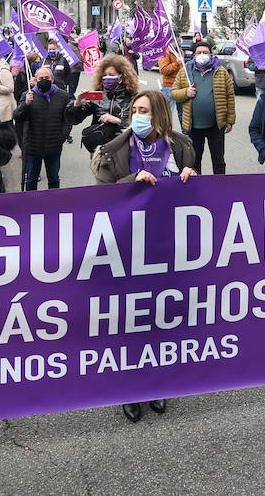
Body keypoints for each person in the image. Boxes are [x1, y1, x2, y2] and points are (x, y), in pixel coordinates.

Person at [91, 89, 194, 422]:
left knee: (161, 319)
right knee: (130, 321)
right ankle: (130, 387)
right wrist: (132, 180)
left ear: (159, 114)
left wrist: (193, 179)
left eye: (144, 110)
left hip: (167, 245)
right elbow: (102, 198)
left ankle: (157, 384)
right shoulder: (114, 149)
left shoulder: (180, 146)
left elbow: (196, 199)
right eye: (135, 109)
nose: (137, 115)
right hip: (126, 248)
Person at [171, 40, 236, 176]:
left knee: (218, 161)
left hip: (216, 125)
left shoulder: (221, 71)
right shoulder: (185, 71)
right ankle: (197, 190)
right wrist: (186, 93)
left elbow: (230, 96)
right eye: (199, 52)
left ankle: (220, 187)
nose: (202, 55)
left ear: (211, 55)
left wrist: (230, 120)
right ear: (194, 55)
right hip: (193, 127)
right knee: (194, 161)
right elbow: (174, 92)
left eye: (205, 52)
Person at [14, 65, 73, 189]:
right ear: (35, 80)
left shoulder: (63, 96)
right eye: (41, 78)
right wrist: (26, 104)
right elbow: (18, 117)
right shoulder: (27, 95)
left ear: (52, 79)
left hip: (53, 147)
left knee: (54, 179)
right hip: (33, 148)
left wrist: (61, 137)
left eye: (47, 77)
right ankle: (32, 205)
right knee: (30, 180)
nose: (44, 80)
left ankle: (53, 205)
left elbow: (68, 119)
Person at [69, 54, 139, 154]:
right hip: (100, 149)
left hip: (123, 148)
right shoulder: (98, 95)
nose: (107, 78)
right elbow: (73, 120)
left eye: (111, 75)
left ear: (122, 77)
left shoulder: (133, 98)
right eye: (105, 75)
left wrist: (118, 121)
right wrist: (77, 103)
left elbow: (139, 127)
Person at [157, 44, 184, 130]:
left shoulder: (180, 51)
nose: (179, 41)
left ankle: (186, 137)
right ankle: (164, 135)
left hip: (181, 87)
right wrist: (176, 63)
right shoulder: (165, 52)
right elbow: (164, 70)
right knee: (165, 115)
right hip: (169, 87)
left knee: (183, 114)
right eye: (178, 38)